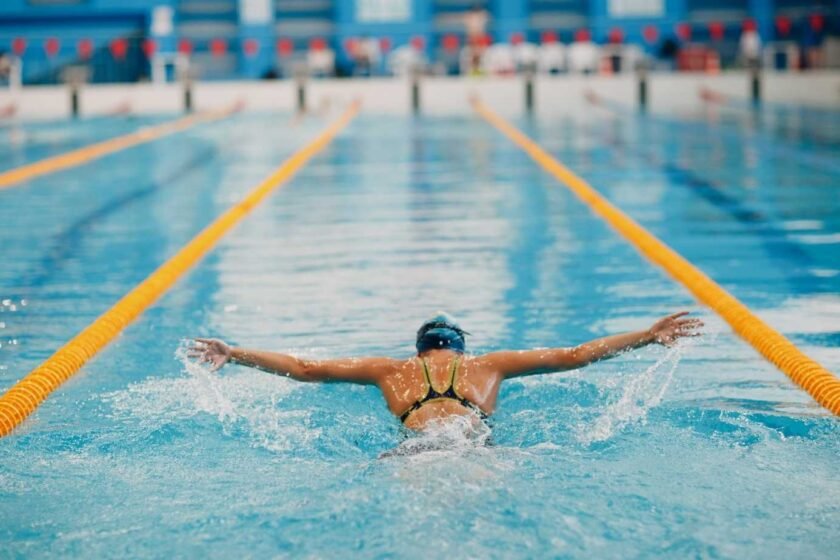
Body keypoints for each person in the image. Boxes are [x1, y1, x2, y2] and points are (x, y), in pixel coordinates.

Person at [189, 311, 703, 432]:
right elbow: (574, 355)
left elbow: (305, 368)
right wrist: (646, 336)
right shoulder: (487, 365)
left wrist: (234, 352)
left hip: (411, 448)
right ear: (458, 349)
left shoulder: (390, 371)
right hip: (472, 440)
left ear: (420, 351)